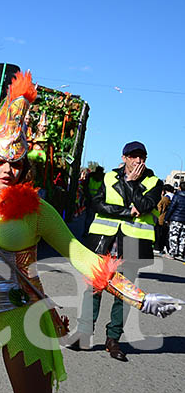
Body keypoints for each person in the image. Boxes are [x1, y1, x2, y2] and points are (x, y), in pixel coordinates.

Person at [0, 72, 181, 393]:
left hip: (24, 317)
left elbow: (82, 255)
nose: (9, 169)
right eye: (0, 161)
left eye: (17, 162)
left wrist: (139, 297)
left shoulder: (37, 210)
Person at [69, 140, 162, 361]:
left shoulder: (153, 181)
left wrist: (131, 183)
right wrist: (127, 212)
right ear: (124, 158)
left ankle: (113, 339)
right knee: (93, 288)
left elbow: (145, 206)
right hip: (104, 241)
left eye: (142, 157)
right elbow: (97, 204)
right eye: (133, 156)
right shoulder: (109, 177)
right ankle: (83, 334)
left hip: (133, 243)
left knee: (125, 294)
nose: (138, 160)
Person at [167, 183, 185, 260]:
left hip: (176, 219)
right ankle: (181, 253)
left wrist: (166, 218)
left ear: (180, 188)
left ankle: (172, 253)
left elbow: (171, 208)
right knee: (183, 237)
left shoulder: (177, 196)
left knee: (174, 236)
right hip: (184, 221)